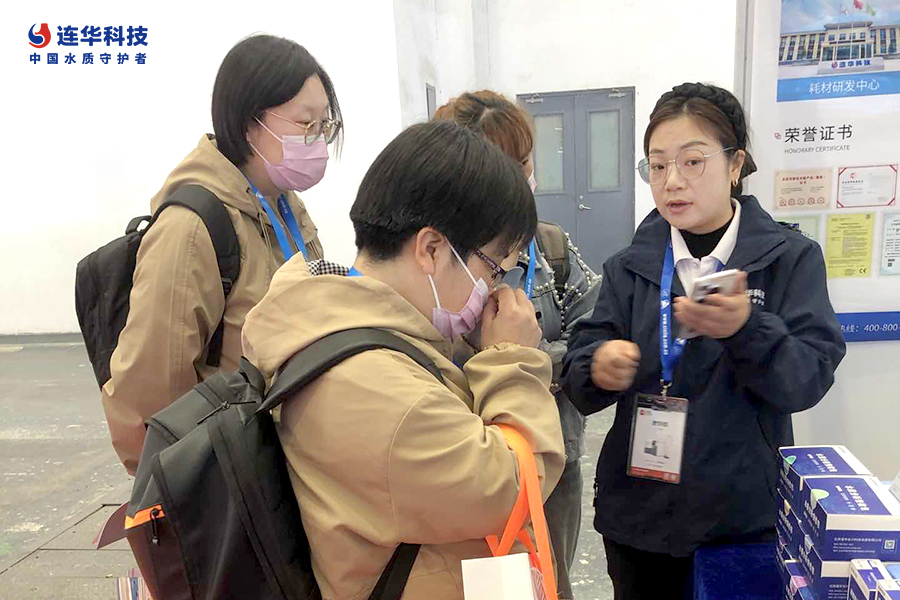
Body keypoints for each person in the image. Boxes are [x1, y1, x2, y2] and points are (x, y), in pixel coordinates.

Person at [241, 121, 565, 600]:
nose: (494, 290)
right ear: (431, 249)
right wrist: (513, 357)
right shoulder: (371, 386)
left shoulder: (358, 328)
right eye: (494, 268)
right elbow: (514, 485)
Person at [561, 82, 846, 600]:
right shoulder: (629, 267)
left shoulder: (789, 259)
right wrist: (597, 365)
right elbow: (581, 369)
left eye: (693, 162)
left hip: (742, 522)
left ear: (735, 164)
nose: (672, 181)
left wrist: (747, 329)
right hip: (641, 520)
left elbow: (807, 379)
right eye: (657, 166)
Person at [101, 34, 342, 475]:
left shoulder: (286, 205)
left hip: (286, 456)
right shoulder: (192, 228)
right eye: (306, 123)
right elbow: (146, 392)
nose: (318, 140)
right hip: (234, 473)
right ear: (250, 124)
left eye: (324, 125)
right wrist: (183, 490)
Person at [434, 90, 602, 600]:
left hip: (554, 454)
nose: (519, 178)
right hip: (471, 464)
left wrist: (528, 356)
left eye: (524, 163)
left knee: (552, 580)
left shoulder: (550, 247)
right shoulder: (442, 261)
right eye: (502, 165)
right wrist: (505, 357)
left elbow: (591, 330)